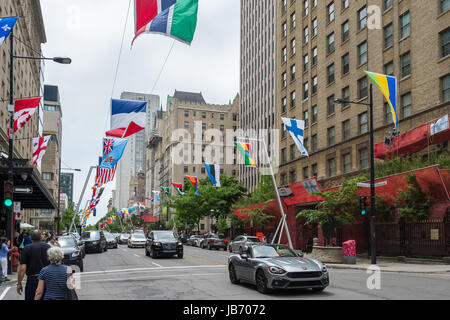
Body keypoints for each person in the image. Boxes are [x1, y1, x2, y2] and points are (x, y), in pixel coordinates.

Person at [16, 230, 51, 300]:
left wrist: (19, 283)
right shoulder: (48, 247)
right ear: (41, 237)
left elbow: (23, 268)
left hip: (33, 279)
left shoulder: (26, 248)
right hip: (46, 279)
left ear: (30, 238)